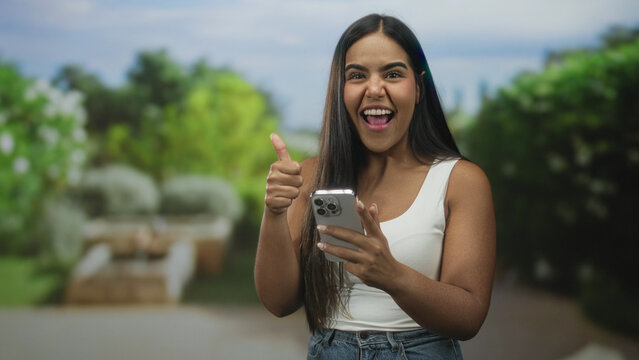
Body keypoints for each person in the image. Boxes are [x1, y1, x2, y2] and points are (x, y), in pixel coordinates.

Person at [254, 13, 495, 359]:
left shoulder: (460, 181)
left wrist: (392, 275)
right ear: (342, 90)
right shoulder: (311, 176)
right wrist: (275, 212)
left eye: (393, 74)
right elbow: (278, 302)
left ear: (419, 88)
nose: (374, 89)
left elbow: (469, 316)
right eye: (357, 76)